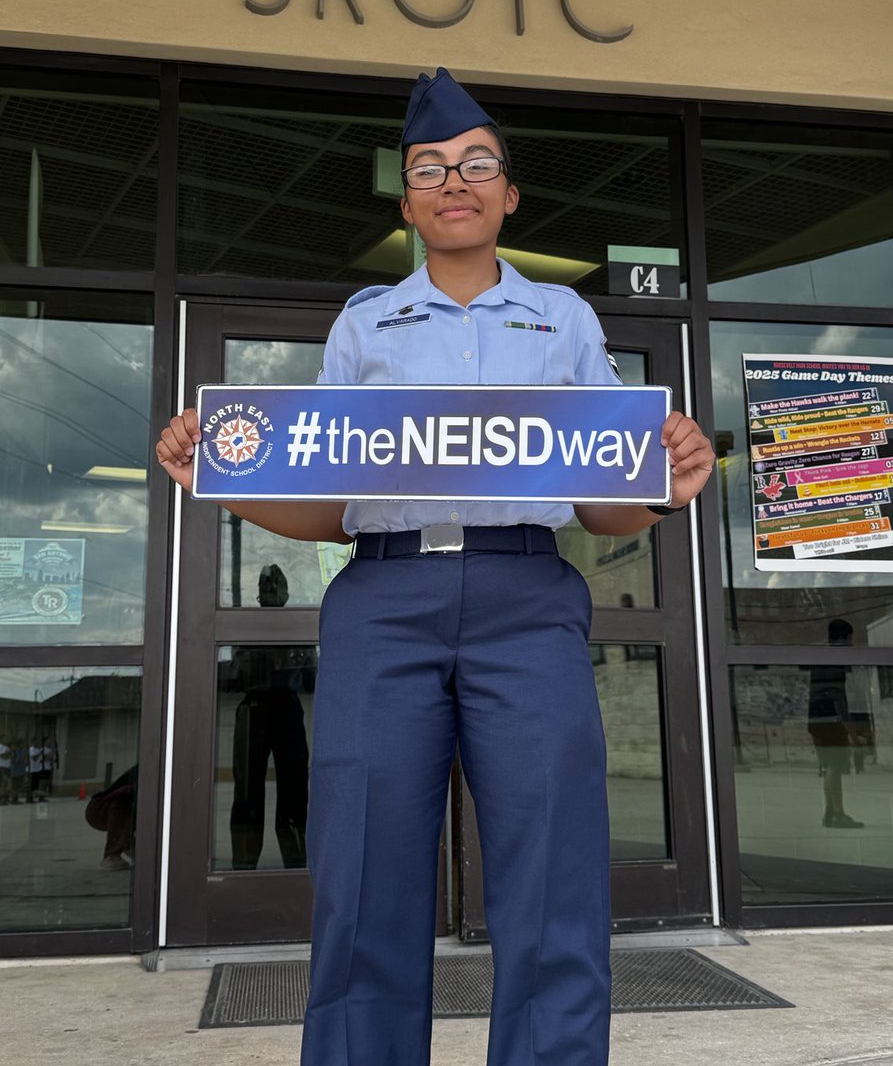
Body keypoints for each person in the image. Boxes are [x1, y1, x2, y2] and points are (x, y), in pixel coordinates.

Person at [157, 67, 715, 1066]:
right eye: (429, 169)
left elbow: (604, 497)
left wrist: (673, 480)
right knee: (364, 874)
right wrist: (224, 478)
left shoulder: (566, 322)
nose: (453, 182)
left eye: (476, 165)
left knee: (553, 873)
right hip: (384, 598)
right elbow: (335, 507)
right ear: (407, 198)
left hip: (527, 595)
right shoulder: (366, 324)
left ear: (509, 192)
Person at [228, 564, 311, 870]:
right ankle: (244, 867)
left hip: (287, 711)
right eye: (268, 586)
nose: (272, 591)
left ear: (286, 592)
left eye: (276, 586)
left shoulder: (298, 627)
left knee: (294, 792)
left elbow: (312, 677)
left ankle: (297, 864)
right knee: (247, 793)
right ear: (260, 593)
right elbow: (233, 677)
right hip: (254, 711)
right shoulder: (245, 627)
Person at [807, 618, 864, 829]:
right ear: (843, 638)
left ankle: (830, 812)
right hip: (830, 719)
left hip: (814, 718)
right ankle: (838, 814)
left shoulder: (820, 657)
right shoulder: (835, 661)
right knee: (836, 766)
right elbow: (839, 699)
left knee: (828, 767)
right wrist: (850, 730)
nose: (851, 644)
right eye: (849, 639)